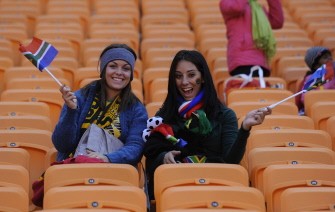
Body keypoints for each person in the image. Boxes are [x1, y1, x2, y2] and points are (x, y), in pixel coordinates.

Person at [142, 50, 272, 200]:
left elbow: (230, 161)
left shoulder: (224, 115)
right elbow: (151, 160)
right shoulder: (165, 114)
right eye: (178, 76)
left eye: (191, 75)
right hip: (178, 192)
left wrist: (244, 129)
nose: (184, 82)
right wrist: (163, 157)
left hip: (217, 191)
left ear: (202, 77)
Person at [52, 43, 148, 166]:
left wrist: (107, 158)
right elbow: (62, 145)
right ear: (103, 69)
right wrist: (71, 111)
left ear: (131, 74)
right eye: (113, 66)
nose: (119, 72)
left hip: (113, 170)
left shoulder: (136, 109)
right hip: (74, 168)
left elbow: (135, 147)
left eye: (126, 68)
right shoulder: (78, 99)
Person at [219, 0, 284, 77]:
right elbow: (238, 8)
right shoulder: (226, 3)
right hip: (242, 61)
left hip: (261, 61)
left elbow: (277, 21)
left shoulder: (257, 7)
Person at [296, 46, 335, 115]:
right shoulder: (312, 79)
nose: (330, 58)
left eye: (330, 56)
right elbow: (305, 98)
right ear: (316, 66)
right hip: (319, 111)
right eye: (325, 57)